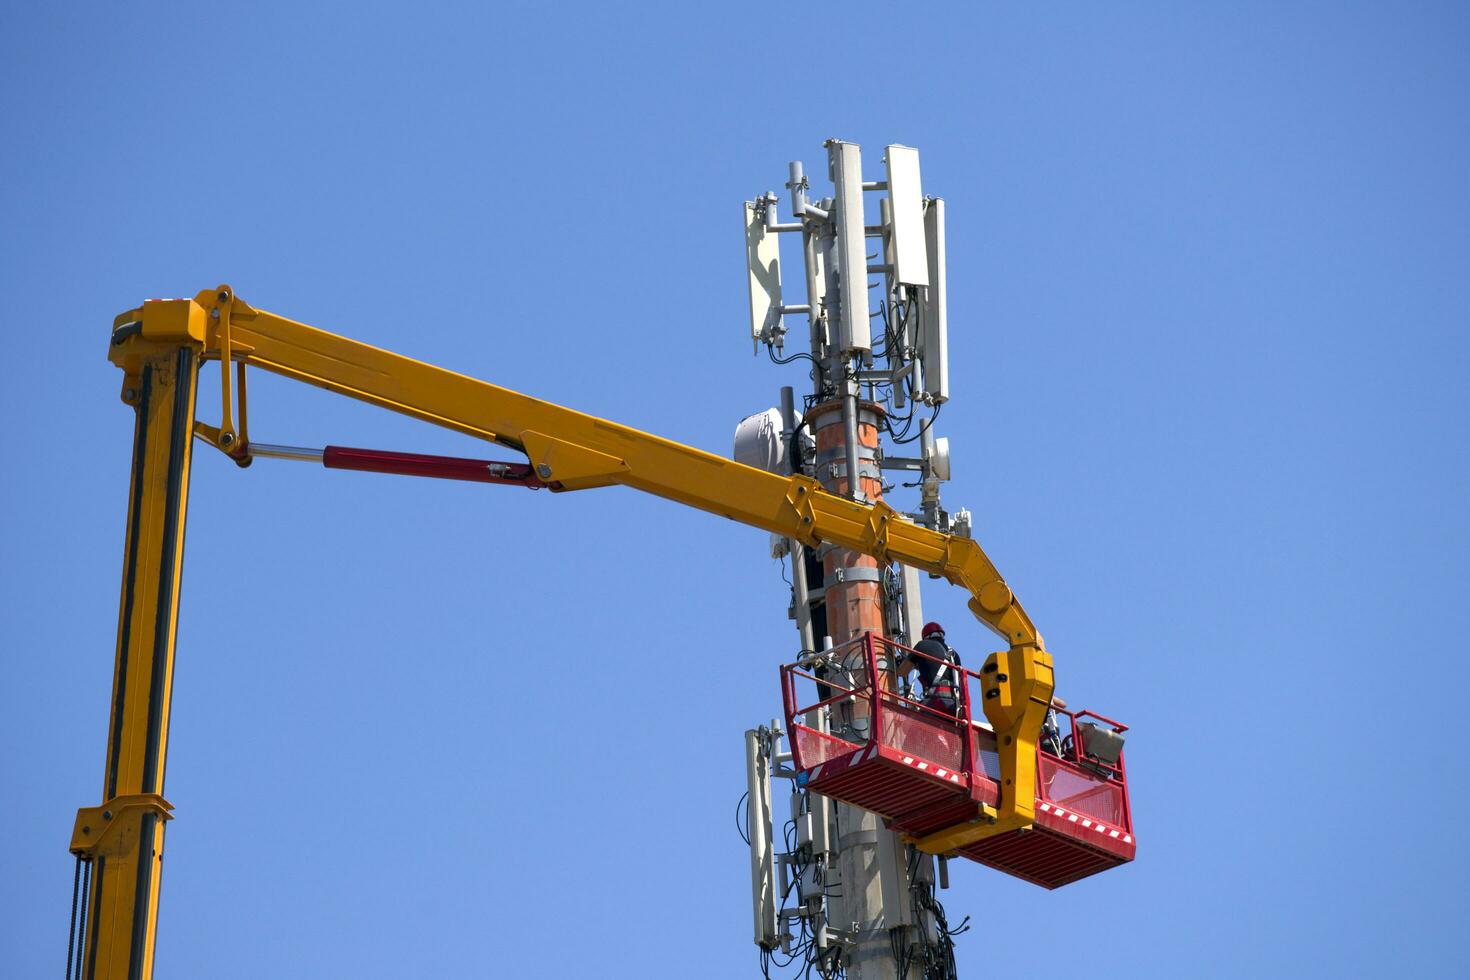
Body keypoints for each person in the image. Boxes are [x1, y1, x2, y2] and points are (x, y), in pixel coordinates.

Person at [899, 622, 962, 716]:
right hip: (954, 705)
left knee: (909, 723)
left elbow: (902, 672)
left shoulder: (923, 645)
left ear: (926, 637)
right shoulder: (954, 655)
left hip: (937, 701)